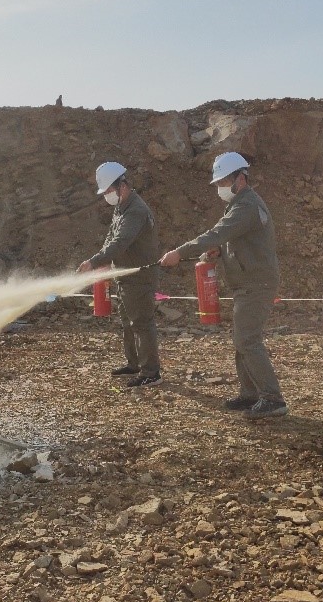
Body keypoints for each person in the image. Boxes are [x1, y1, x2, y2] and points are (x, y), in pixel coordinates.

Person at [159, 152, 286, 419]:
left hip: (256, 282)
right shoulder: (239, 203)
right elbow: (232, 239)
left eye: (223, 181)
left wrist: (180, 252)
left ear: (241, 178)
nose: (219, 188)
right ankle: (250, 394)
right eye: (217, 183)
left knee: (247, 340)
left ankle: (273, 399)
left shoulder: (247, 205)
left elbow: (218, 233)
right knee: (242, 339)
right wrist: (220, 252)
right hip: (248, 281)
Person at [78, 161, 162, 387]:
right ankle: (134, 363)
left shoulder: (136, 211)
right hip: (124, 276)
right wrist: (102, 260)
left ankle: (151, 372)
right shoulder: (122, 207)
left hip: (139, 277)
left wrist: (95, 261)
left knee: (142, 324)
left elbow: (121, 241)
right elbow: (111, 237)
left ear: (122, 186)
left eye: (108, 191)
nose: (106, 196)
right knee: (128, 322)